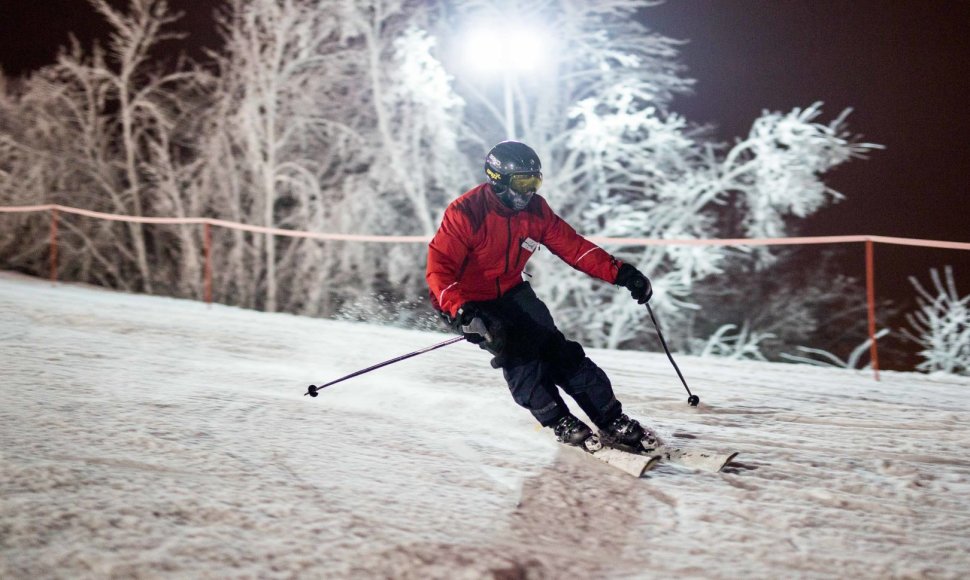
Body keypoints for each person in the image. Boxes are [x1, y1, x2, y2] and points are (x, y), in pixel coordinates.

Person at [426, 140, 657, 453]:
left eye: (535, 182)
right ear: (499, 180)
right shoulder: (466, 213)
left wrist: (621, 273)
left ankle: (611, 419)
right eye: (523, 182)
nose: (529, 191)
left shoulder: (536, 211)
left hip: (510, 289)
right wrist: (462, 311)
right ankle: (558, 419)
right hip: (466, 301)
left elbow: (574, 247)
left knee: (557, 349)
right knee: (518, 352)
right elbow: (440, 268)